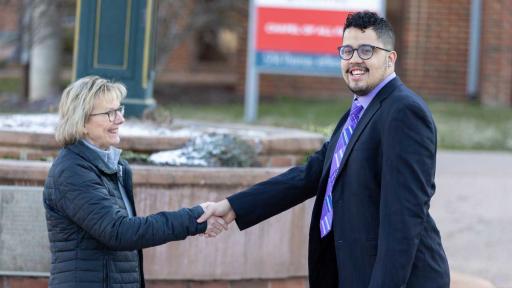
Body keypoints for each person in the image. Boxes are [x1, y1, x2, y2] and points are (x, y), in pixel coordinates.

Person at [199, 11, 450, 288]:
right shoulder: (359, 112)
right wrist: (234, 206)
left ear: (390, 59)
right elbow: (309, 175)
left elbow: (403, 219)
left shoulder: (404, 112)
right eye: (347, 50)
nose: (354, 59)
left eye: (366, 50)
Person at [43, 76, 227, 288]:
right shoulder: (72, 171)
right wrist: (195, 218)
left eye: (119, 109)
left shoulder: (116, 167)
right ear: (82, 122)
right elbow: (120, 232)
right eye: (110, 113)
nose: (121, 119)